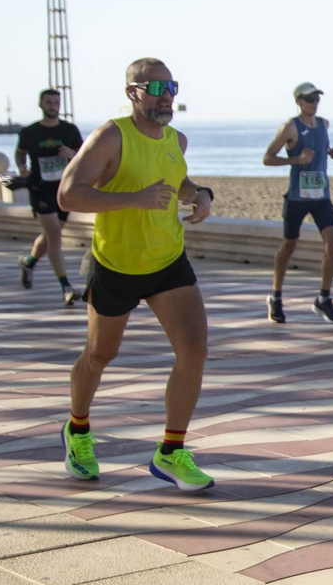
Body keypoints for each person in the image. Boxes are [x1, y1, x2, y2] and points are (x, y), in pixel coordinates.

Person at [55, 58, 217, 493]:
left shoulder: (175, 140)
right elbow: (68, 194)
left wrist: (199, 194)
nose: (167, 95)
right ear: (133, 92)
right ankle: (79, 430)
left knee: (195, 350)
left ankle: (170, 452)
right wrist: (134, 198)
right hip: (116, 265)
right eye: (158, 86)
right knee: (99, 356)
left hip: (168, 261)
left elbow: (176, 183)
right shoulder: (111, 136)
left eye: (172, 86)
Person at [261, 82, 333, 324]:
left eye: (317, 98)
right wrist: (295, 159)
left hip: (321, 197)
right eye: (309, 99)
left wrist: (331, 153)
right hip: (297, 198)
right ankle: (275, 297)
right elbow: (267, 158)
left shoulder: (324, 124)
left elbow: (321, 145)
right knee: (288, 247)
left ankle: (323, 299)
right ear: (298, 101)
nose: (314, 103)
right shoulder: (290, 127)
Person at [14, 89, 84, 305]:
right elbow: (20, 151)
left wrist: (71, 155)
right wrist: (21, 166)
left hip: (63, 189)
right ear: (41, 104)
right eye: (49, 102)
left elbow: (84, 155)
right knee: (54, 236)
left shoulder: (69, 130)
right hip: (40, 189)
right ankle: (66, 287)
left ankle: (29, 262)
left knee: (53, 233)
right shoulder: (30, 131)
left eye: (56, 102)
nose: (53, 106)